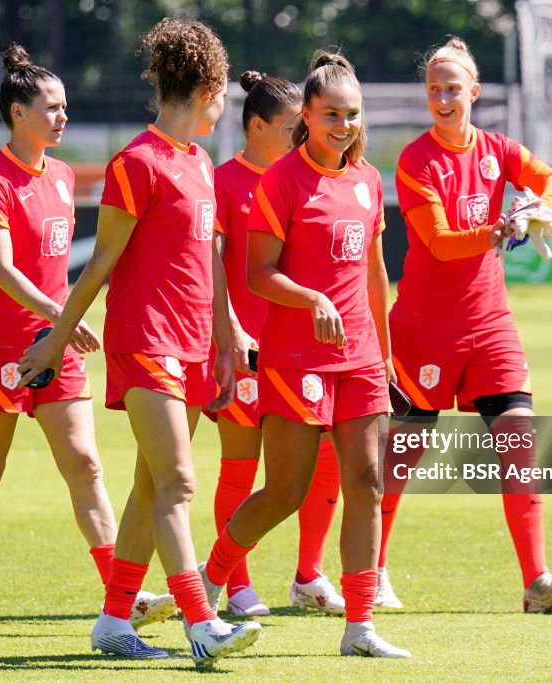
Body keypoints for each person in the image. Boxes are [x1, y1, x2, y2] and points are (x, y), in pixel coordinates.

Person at [17, 18, 261, 668]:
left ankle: (113, 619)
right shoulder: (136, 163)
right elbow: (97, 267)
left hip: (190, 349)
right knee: (179, 481)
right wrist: (54, 343)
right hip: (145, 342)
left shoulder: (201, 164)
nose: (226, 106)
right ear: (206, 86)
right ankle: (203, 622)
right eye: (223, 93)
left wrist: (227, 331)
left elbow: (208, 261)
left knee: (151, 486)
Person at [0, 43, 173, 637]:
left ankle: (122, 595)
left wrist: (61, 326)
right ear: (18, 111)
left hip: (55, 344)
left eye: (66, 107)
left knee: (86, 465)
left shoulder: (64, 177)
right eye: (52, 107)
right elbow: (3, 269)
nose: (63, 116)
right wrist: (62, 312)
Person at [199, 51, 411, 658]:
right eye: (330, 116)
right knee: (284, 492)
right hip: (297, 360)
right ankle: (212, 579)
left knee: (366, 484)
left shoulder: (368, 180)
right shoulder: (281, 180)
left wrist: (386, 356)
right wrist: (312, 297)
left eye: (352, 115)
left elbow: (376, 276)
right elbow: (258, 273)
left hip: (363, 360)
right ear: (308, 119)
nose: (343, 126)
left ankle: (360, 629)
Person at [383, 35, 552, 613]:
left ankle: (537, 581)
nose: (443, 99)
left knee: (519, 443)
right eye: (434, 89)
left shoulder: (499, 148)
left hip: (490, 324)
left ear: (474, 91)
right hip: (423, 328)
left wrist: (538, 207)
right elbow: (440, 243)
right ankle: (371, 571)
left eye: (453, 88)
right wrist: (503, 230)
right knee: (400, 456)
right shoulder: (415, 159)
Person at [209, 70, 346, 618]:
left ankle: (309, 573)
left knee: (327, 458)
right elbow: (212, 263)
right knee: (241, 466)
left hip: (306, 350)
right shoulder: (225, 182)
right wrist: (231, 331)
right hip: (248, 349)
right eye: (291, 126)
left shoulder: (310, 178)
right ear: (257, 126)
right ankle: (235, 584)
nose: (300, 135)